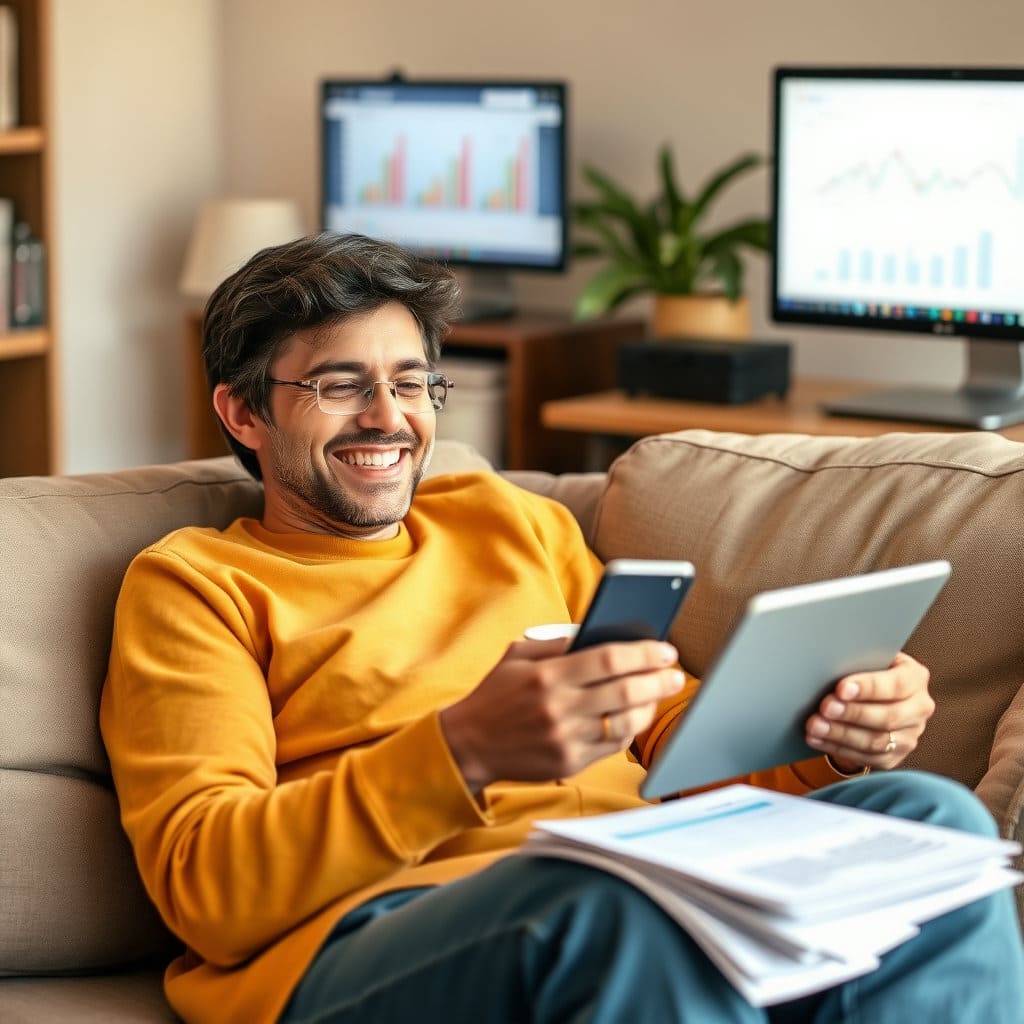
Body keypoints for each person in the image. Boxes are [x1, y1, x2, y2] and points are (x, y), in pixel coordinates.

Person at [100, 231, 1024, 1024]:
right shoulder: (198, 586)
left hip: (644, 869)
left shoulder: (513, 523)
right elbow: (203, 884)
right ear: (243, 411)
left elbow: (671, 737)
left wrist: (829, 739)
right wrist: (462, 752)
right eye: (341, 385)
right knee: (617, 906)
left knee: (932, 821)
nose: (388, 417)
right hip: (373, 938)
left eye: (412, 382)